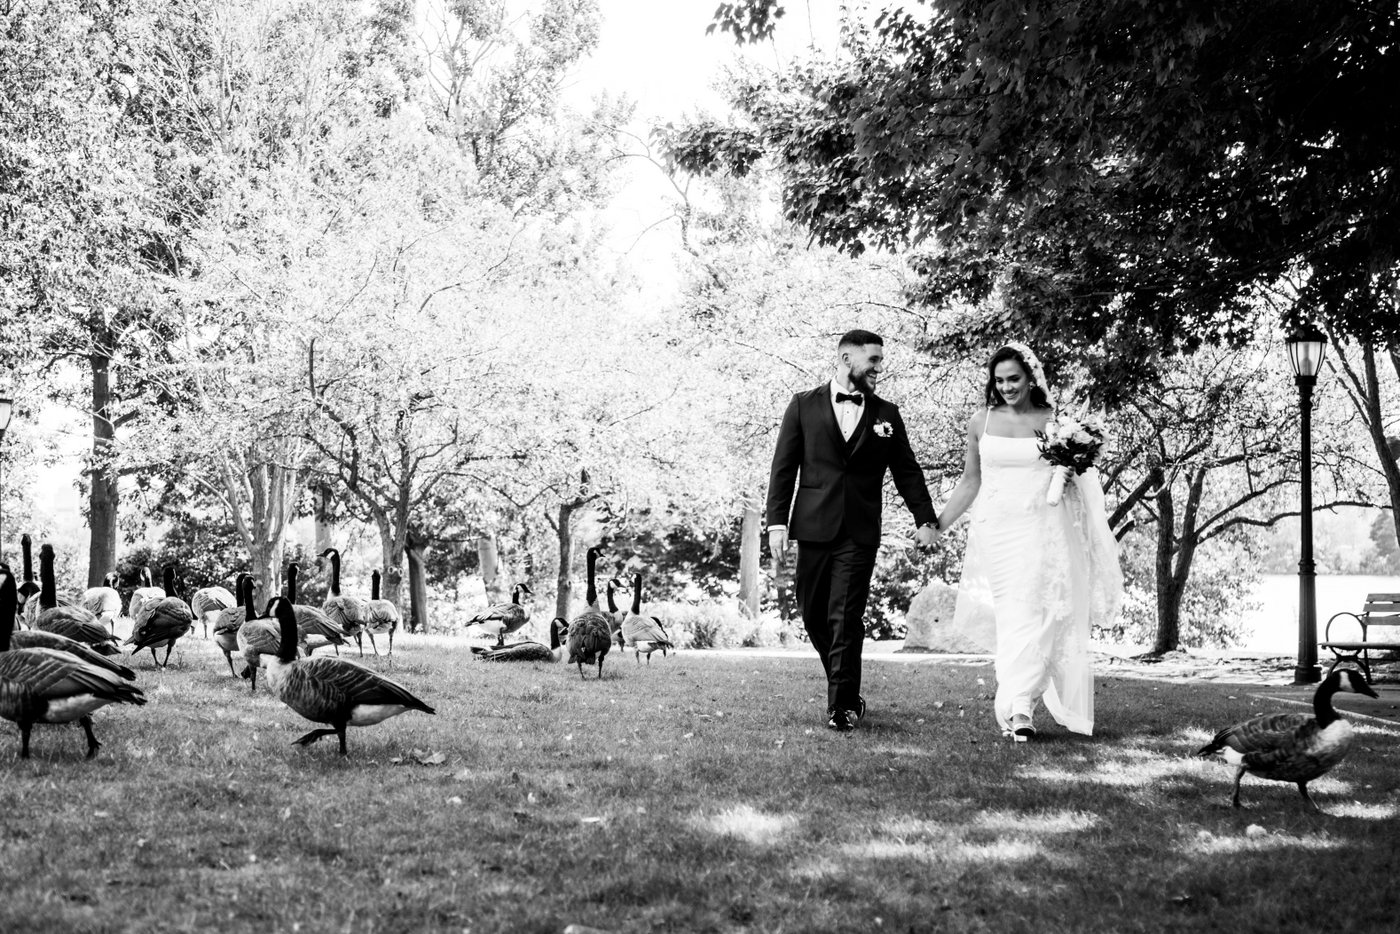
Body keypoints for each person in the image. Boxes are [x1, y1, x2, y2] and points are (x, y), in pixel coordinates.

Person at [932, 342, 1122, 741]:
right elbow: (971, 481)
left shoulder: (1055, 422)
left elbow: (1077, 477)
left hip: (1044, 525)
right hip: (997, 530)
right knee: (1014, 616)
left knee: (1041, 615)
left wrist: (1071, 474)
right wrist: (938, 524)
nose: (1006, 387)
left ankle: (1019, 707)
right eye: (999, 380)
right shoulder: (980, 421)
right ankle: (1019, 703)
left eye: (1013, 379)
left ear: (1030, 377)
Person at [767, 329, 939, 732]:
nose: (880, 367)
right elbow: (783, 468)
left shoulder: (887, 415)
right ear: (846, 359)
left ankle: (842, 706)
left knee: (845, 616)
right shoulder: (802, 405)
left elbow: (907, 471)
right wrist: (777, 523)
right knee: (812, 613)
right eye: (874, 360)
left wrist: (925, 518)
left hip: (859, 531)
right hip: (812, 526)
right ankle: (846, 687)